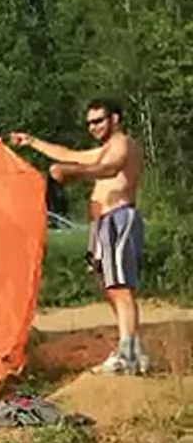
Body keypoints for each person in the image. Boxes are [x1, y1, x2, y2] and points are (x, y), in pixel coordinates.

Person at [10, 97, 148, 375]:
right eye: (89, 123)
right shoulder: (105, 148)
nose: (93, 127)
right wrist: (33, 142)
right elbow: (69, 154)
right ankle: (129, 348)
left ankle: (130, 353)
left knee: (119, 287)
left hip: (118, 218)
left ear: (115, 119)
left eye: (99, 120)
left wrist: (72, 174)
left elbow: (108, 169)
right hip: (103, 224)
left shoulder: (122, 144)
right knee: (109, 287)